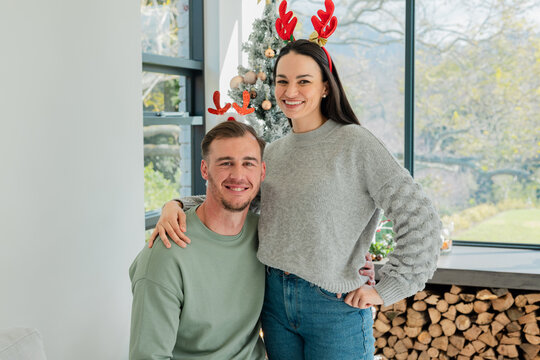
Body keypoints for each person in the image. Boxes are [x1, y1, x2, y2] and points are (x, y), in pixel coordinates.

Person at [151, 39, 441, 359]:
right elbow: (232, 196)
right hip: (274, 303)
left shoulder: (356, 144)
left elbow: (419, 216)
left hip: (334, 308)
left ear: (326, 88)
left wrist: (389, 288)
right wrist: (175, 205)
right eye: (282, 81)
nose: (290, 92)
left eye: (304, 81)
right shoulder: (274, 153)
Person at [129, 121, 268, 360]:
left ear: (262, 172)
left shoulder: (267, 235)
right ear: (205, 169)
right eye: (226, 163)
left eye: (248, 163)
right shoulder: (168, 252)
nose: (238, 174)